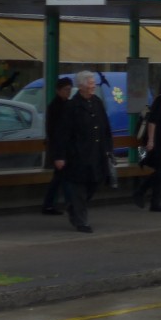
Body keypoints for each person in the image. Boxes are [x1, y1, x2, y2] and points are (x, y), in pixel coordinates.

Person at [52, 69, 114, 233]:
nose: (93, 86)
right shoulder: (72, 106)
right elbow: (62, 134)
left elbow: (105, 128)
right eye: (90, 83)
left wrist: (108, 148)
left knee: (94, 183)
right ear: (81, 86)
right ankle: (81, 222)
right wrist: (59, 156)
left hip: (96, 154)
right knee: (79, 189)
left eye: (93, 83)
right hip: (78, 155)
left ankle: (74, 207)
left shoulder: (97, 102)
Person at [134, 77, 161, 213]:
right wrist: (151, 141)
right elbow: (152, 122)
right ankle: (142, 192)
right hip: (159, 142)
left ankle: (154, 201)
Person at [40, 76, 73, 215]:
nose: (68, 92)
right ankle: (70, 204)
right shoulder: (54, 107)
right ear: (58, 90)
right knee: (64, 177)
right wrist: (57, 154)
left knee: (59, 178)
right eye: (66, 89)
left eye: (70, 89)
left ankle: (48, 204)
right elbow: (53, 131)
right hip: (59, 149)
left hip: (66, 148)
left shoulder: (69, 105)